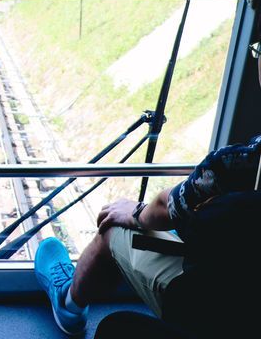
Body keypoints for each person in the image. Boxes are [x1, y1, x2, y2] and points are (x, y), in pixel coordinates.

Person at [34, 30, 261, 338]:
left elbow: (167, 207)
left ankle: (69, 304)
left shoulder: (241, 161)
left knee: (114, 227)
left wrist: (136, 212)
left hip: (209, 308)